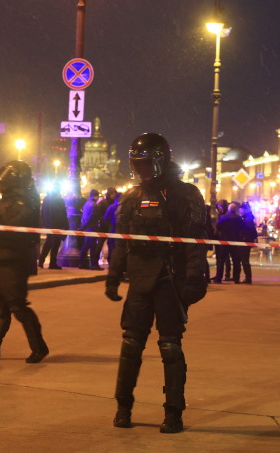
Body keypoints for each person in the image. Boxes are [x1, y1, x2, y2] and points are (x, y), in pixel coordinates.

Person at [105, 133, 208, 433]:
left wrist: (192, 277)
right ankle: (123, 407)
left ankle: (173, 413)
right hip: (139, 280)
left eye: (147, 165)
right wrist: (113, 276)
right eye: (138, 165)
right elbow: (122, 243)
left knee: (170, 346)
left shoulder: (186, 195)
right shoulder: (131, 198)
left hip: (170, 279)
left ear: (161, 161)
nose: (142, 171)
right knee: (131, 344)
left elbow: (194, 242)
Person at [0, 160, 48, 363]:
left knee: (17, 306)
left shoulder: (25, 203)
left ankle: (39, 348)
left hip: (14, 261)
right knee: (0, 307)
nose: (1, 184)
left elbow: (14, 230)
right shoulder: (6, 201)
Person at [38, 183, 68, 269]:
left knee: (49, 243)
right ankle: (52, 263)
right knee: (55, 244)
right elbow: (62, 214)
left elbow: (43, 212)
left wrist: (46, 223)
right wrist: (65, 225)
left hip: (49, 225)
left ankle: (41, 261)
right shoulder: (59, 200)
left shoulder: (47, 199)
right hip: (57, 225)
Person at [214, 202, 245, 284]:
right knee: (236, 261)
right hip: (235, 242)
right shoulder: (239, 218)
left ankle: (218, 278)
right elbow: (242, 229)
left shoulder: (223, 217)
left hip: (224, 241)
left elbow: (218, 227)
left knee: (221, 260)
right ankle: (236, 278)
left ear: (228, 209)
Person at [94, 187, 118, 266]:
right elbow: (98, 213)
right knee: (99, 245)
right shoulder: (104, 203)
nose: (114, 195)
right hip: (104, 227)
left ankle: (110, 262)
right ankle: (95, 262)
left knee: (111, 245)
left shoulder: (114, 203)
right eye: (112, 193)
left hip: (110, 227)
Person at [79, 189, 102, 270]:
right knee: (93, 247)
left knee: (86, 246)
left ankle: (81, 263)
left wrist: (83, 227)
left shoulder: (86, 204)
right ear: (95, 196)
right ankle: (93, 264)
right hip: (92, 227)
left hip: (87, 228)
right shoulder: (94, 205)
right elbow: (91, 217)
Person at [239, 202, 258, 284]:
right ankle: (248, 277)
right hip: (247, 241)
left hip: (246, 242)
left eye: (241, 210)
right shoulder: (248, 218)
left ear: (245, 210)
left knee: (245, 260)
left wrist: (244, 238)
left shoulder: (247, 219)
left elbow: (250, 231)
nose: (240, 211)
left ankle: (248, 278)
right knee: (245, 260)